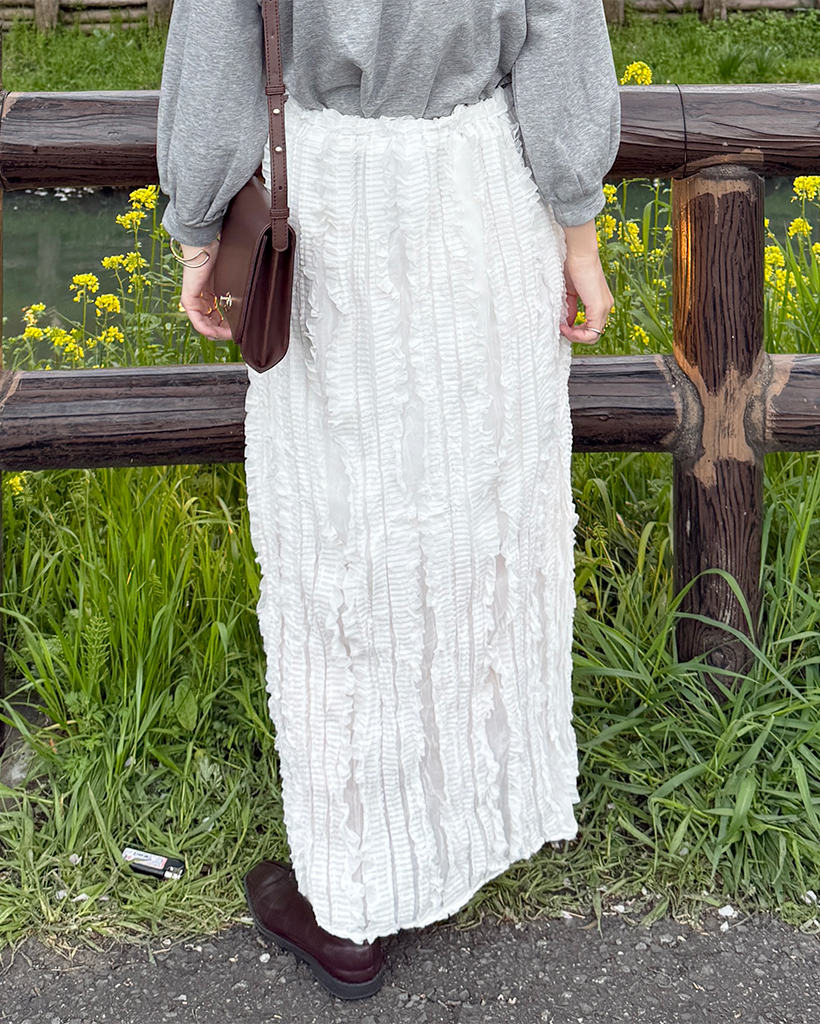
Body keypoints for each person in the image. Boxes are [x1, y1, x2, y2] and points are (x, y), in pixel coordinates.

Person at [157, 0, 619, 1001]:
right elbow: (559, 33)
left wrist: (198, 230)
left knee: (345, 555)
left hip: (332, 209)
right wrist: (577, 230)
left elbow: (218, 43)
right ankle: (471, 829)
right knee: (478, 525)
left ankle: (351, 896)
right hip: (483, 197)